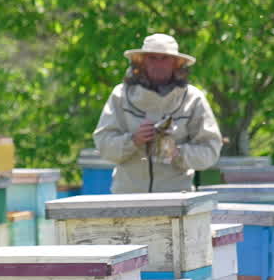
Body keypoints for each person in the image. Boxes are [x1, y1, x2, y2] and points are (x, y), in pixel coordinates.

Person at [92, 33, 222, 194]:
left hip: (177, 197)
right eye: (152, 58)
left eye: (164, 58)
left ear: (176, 63)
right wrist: (134, 140)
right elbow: (103, 143)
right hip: (127, 198)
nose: (158, 64)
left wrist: (177, 153)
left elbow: (210, 150)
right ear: (142, 61)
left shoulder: (193, 99)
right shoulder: (120, 95)